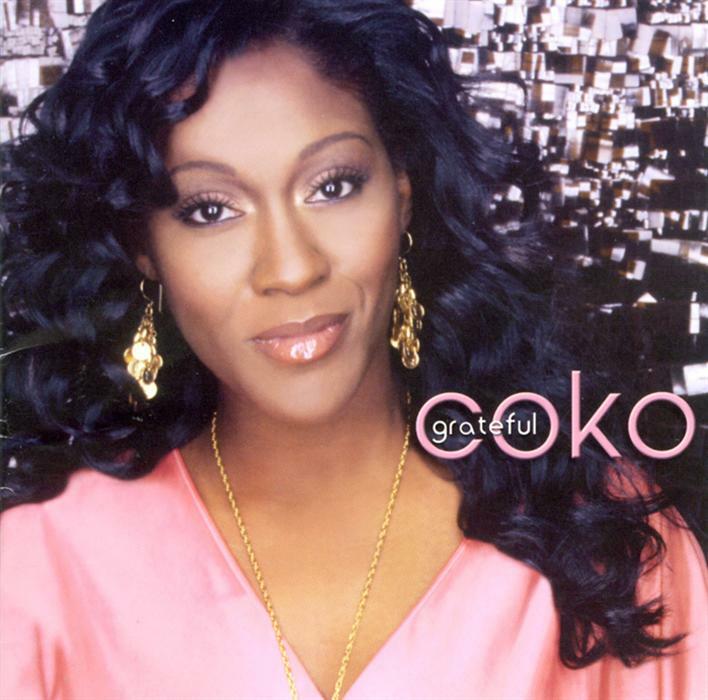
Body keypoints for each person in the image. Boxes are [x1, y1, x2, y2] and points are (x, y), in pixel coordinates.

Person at [0, 1, 705, 698]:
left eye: (332, 186)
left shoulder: (609, 542)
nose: (291, 268)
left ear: (403, 194)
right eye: (210, 210)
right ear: (144, 249)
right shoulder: (40, 565)